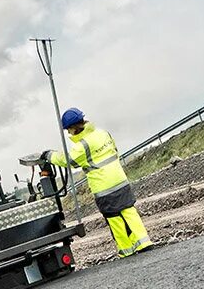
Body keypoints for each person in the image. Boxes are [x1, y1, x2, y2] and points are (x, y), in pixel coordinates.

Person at [24, 107, 154, 257]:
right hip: (120, 179)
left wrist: (49, 155)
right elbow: (113, 151)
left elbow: (68, 160)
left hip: (104, 186)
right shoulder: (102, 133)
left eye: (68, 130)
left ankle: (126, 249)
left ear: (73, 128)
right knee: (129, 211)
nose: (68, 134)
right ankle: (144, 242)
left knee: (114, 218)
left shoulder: (82, 145)